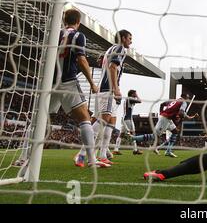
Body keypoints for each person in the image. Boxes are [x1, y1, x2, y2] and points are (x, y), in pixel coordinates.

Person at [49, 9, 107, 168]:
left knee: (40, 119)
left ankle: (24, 158)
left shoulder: (54, 34)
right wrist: (92, 83)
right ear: (78, 22)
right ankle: (91, 160)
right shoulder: (78, 36)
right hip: (68, 81)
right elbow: (81, 59)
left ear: (63, 20)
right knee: (85, 119)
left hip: (49, 82)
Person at [75, 29, 132, 166]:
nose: (131, 41)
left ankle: (98, 155)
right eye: (130, 38)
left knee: (107, 121)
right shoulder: (120, 48)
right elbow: (112, 68)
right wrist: (116, 88)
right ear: (123, 38)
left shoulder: (110, 49)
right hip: (108, 89)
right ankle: (82, 155)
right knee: (103, 120)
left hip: (104, 88)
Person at [133, 94, 198, 158]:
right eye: (188, 97)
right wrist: (181, 117)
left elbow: (163, 105)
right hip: (165, 118)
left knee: (175, 132)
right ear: (185, 97)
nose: (189, 99)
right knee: (154, 136)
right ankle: (134, 138)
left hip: (167, 118)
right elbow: (181, 113)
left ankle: (168, 151)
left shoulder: (175, 101)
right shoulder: (184, 103)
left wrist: (190, 117)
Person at [113, 89, 142, 155]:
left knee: (121, 134)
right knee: (132, 134)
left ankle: (116, 149)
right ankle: (135, 150)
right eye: (135, 93)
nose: (136, 94)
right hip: (128, 119)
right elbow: (140, 101)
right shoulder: (130, 99)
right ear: (132, 94)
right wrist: (137, 96)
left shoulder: (128, 99)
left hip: (126, 118)